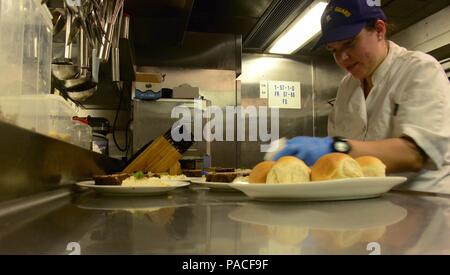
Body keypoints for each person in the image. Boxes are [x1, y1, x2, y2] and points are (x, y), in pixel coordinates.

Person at [272, 0, 450, 193]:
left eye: (350, 43)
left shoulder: (419, 69)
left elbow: (415, 154)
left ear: (379, 30)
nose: (342, 58)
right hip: (369, 203)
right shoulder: (347, 87)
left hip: (424, 201)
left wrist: (335, 147)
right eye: (334, 50)